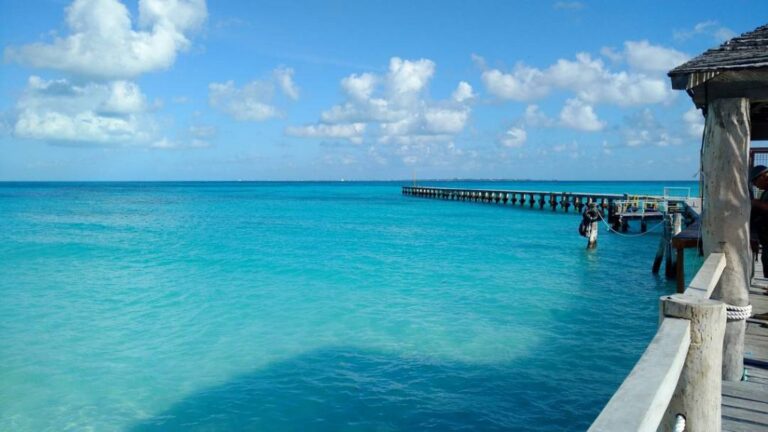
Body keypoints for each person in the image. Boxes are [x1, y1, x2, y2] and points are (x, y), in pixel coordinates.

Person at [750, 165, 768, 277]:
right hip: (765, 237)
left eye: (755, 182)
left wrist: (751, 202)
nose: (756, 186)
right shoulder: (765, 191)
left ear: (762, 177)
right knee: (766, 259)